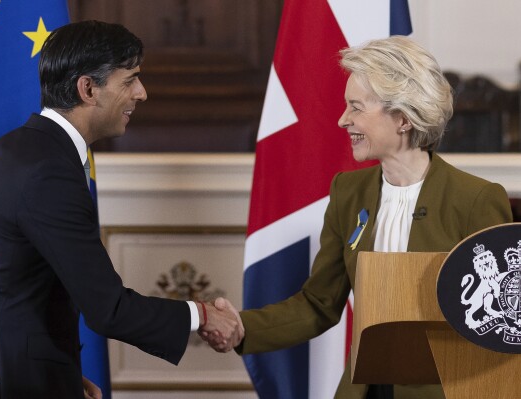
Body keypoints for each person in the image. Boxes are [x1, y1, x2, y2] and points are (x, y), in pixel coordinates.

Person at [0, 20, 242, 399]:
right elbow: (108, 308)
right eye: (130, 80)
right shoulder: (49, 170)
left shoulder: (14, 150)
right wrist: (203, 315)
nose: (142, 93)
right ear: (88, 88)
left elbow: (14, 286)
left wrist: (60, 374)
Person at [201, 36, 513, 398]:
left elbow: (499, 319)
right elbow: (319, 304)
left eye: (356, 108)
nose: (342, 120)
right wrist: (242, 327)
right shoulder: (348, 192)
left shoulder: (475, 199)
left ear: (402, 118)